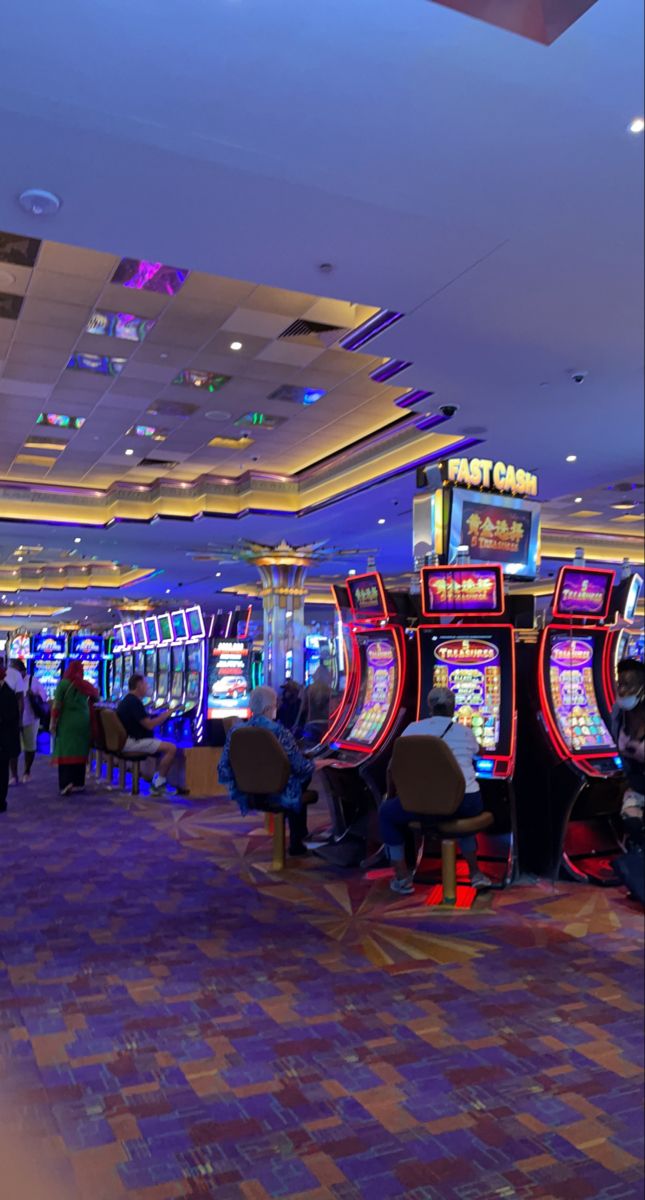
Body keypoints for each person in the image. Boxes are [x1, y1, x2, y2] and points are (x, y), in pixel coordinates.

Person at [378, 686, 493, 895]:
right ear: (453, 708)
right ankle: (475, 873)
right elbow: (481, 753)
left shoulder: (413, 729)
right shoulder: (465, 732)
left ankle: (402, 877)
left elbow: (393, 767)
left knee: (386, 812)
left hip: (423, 803)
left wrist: (394, 794)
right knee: (463, 813)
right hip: (465, 801)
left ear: (429, 706)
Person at [218, 684, 314, 856]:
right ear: (270, 707)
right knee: (301, 778)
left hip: (248, 791)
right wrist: (320, 763)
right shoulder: (279, 731)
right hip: (277, 792)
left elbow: (224, 767)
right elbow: (300, 767)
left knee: (292, 778)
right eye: (276, 704)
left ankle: (299, 839)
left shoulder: (237, 731)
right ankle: (297, 841)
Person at [116, 674, 178, 796]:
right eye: (145, 684)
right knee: (171, 748)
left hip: (129, 740)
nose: (148, 686)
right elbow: (149, 725)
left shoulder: (128, 700)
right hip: (133, 742)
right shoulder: (134, 702)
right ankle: (158, 784)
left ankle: (158, 778)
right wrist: (166, 714)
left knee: (162, 742)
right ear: (139, 685)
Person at [51, 661, 99, 795]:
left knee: (66, 752)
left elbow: (57, 706)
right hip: (83, 722)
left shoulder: (63, 684)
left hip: (68, 722)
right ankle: (79, 782)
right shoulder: (85, 684)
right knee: (80, 751)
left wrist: (53, 722)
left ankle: (66, 783)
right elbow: (97, 696)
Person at [612, 658, 645, 848]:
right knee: (632, 822)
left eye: (629, 685)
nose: (622, 690)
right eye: (620, 684)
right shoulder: (618, 713)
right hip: (637, 786)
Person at [16, 660, 48, 782]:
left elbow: (44, 697)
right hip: (14, 719)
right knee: (13, 748)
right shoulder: (11, 682)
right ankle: (14, 774)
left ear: (22, 671)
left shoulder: (33, 681)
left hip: (30, 718)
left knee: (30, 747)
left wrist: (34, 695)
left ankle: (27, 771)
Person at [0, 662, 21, 813]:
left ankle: (1, 801)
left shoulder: (7, 695)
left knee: (1, 770)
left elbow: (10, 718)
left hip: (3, 740)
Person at [4, 658, 26, 785]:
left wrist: (19, 719)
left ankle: (13, 775)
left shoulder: (14, 674)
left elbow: (20, 700)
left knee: (12, 748)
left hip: (10, 716)